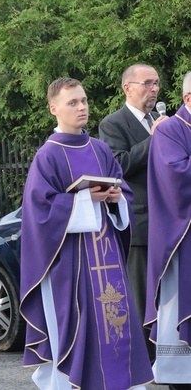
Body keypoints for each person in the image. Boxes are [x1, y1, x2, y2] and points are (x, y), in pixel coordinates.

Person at [21, 78, 153, 389]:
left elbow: (125, 192)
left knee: (116, 326)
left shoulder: (101, 148)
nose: (81, 107)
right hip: (71, 262)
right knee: (82, 330)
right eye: (72, 103)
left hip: (106, 256)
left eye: (83, 101)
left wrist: (116, 199)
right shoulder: (48, 156)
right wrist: (82, 200)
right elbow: (39, 212)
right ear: (54, 109)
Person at [99, 63, 167, 361]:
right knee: (142, 296)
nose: (153, 89)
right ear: (128, 87)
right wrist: (156, 139)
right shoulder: (113, 124)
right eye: (147, 83)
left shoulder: (161, 119)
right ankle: (144, 359)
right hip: (140, 224)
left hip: (169, 223)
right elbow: (119, 165)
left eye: (156, 84)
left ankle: (170, 352)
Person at [145, 71, 191, 387]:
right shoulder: (170, 131)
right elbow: (177, 178)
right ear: (188, 99)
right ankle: (182, 378)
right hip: (183, 239)